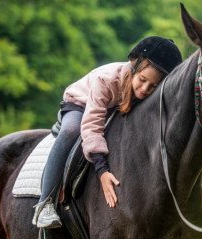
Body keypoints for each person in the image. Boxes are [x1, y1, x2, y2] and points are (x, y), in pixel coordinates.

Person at [32, 36, 182, 228]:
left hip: (115, 106)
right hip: (82, 104)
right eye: (142, 80)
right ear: (133, 67)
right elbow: (92, 124)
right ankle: (44, 203)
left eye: (153, 86)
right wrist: (102, 170)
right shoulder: (107, 80)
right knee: (71, 131)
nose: (145, 89)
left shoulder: (144, 91)